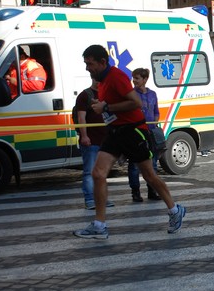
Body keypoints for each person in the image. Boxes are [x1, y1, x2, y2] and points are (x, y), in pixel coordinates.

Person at [73, 44, 186, 239]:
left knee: (149, 176)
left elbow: (136, 102)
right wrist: (102, 107)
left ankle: (175, 210)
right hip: (115, 132)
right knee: (98, 173)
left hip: (134, 132)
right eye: (85, 64)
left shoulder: (116, 77)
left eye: (90, 64)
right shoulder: (103, 81)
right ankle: (99, 225)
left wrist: (106, 106)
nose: (87, 68)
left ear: (102, 62)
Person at [75, 79, 114, 210]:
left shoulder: (107, 95)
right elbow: (81, 118)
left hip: (105, 140)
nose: (99, 82)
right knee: (89, 172)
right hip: (91, 140)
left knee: (102, 172)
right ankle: (90, 199)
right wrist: (84, 136)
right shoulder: (85, 95)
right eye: (97, 79)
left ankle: (102, 199)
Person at [127, 68, 161, 202]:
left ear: (145, 79)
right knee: (134, 164)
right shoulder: (131, 94)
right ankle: (135, 192)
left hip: (150, 133)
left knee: (152, 163)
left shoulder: (152, 94)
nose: (134, 81)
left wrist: (154, 123)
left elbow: (156, 111)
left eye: (137, 78)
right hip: (136, 133)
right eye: (133, 78)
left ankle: (152, 190)